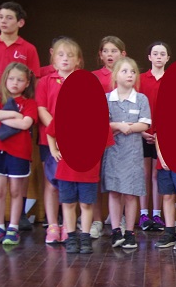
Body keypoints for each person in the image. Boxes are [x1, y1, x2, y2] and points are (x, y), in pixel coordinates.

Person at [0, 2, 40, 232]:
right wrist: (2, 115)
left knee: (18, 175)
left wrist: (5, 116)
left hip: (17, 119)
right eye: (0, 17)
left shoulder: (28, 48)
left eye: (9, 17)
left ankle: (18, 220)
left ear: (20, 22)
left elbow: (33, 78)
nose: (3, 21)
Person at [0, 62, 37, 245]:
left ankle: (13, 226)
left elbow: (25, 124)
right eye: (11, 78)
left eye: (20, 80)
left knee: (15, 191)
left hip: (19, 153)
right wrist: (14, 115)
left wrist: (4, 116)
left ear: (27, 83)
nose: (15, 83)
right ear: (5, 79)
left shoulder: (29, 103)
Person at [36, 38, 83, 244]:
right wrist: (57, 131)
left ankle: (68, 225)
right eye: (61, 55)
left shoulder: (82, 80)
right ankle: (53, 224)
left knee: (71, 184)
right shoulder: (45, 81)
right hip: (50, 141)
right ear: (53, 58)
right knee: (52, 184)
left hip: (75, 142)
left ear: (78, 61)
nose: (65, 59)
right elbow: (41, 108)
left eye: (70, 55)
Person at [46, 113, 114, 254]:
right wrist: (53, 150)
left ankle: (85, 237)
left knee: (86, 204)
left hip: (88, 170)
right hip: (66, 170)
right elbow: (50, 132)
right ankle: (71, 237)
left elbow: (105, 143)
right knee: (69, 203)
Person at [102, 58, 151, 249]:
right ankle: (116, 231)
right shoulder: (106, 99)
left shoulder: (141, 99)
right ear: (115, 75)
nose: (130, 75)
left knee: (131, 194)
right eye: (125, 71)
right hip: (113, 151)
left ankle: (130, 231)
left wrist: (128, 128)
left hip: (133, 153)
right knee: (114, 192)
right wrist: (117, 125)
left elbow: (145, 124)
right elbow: (102, 124)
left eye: (132, 71)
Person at [90, 35, 127, 237]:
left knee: (118, 178)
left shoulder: (128, 75)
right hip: (99, 133)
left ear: (123, 53)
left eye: (114, 50)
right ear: (100, 55)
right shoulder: (94, 76)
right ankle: (96, 219)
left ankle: (117, 218)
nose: (110, 54)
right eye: (106, 50)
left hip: (123, 135)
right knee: (94, 178)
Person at [137, 41, 170, 232]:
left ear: (167, 58)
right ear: (149, 57)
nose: (158, 57)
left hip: (162, 136)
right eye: (155, 53)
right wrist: (141, 131)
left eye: (162, 54)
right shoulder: (140, 79)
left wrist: (161, 134)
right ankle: (143, 214)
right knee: (144, 174)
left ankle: (156, 214)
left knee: (157, 174)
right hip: (141, 133)